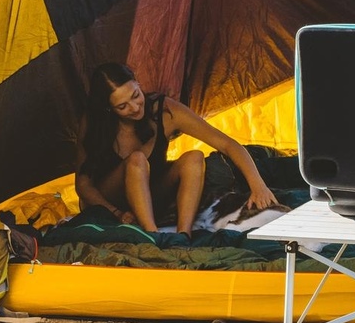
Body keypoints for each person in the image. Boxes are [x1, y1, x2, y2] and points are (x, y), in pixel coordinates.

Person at [75, 62, 279, 240]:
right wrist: (117, 213)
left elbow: (226, 144)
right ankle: (152, 235)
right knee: (136, 160)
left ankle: (183, 234)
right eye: (122, 106)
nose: (135, 108)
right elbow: (83, 186)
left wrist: (258, 185)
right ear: (109, 109)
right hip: (112, 201)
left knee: (194, 157)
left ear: (138, 83)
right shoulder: (93, 122)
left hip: (152, 195)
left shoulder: (165, 111)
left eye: (136, 96)